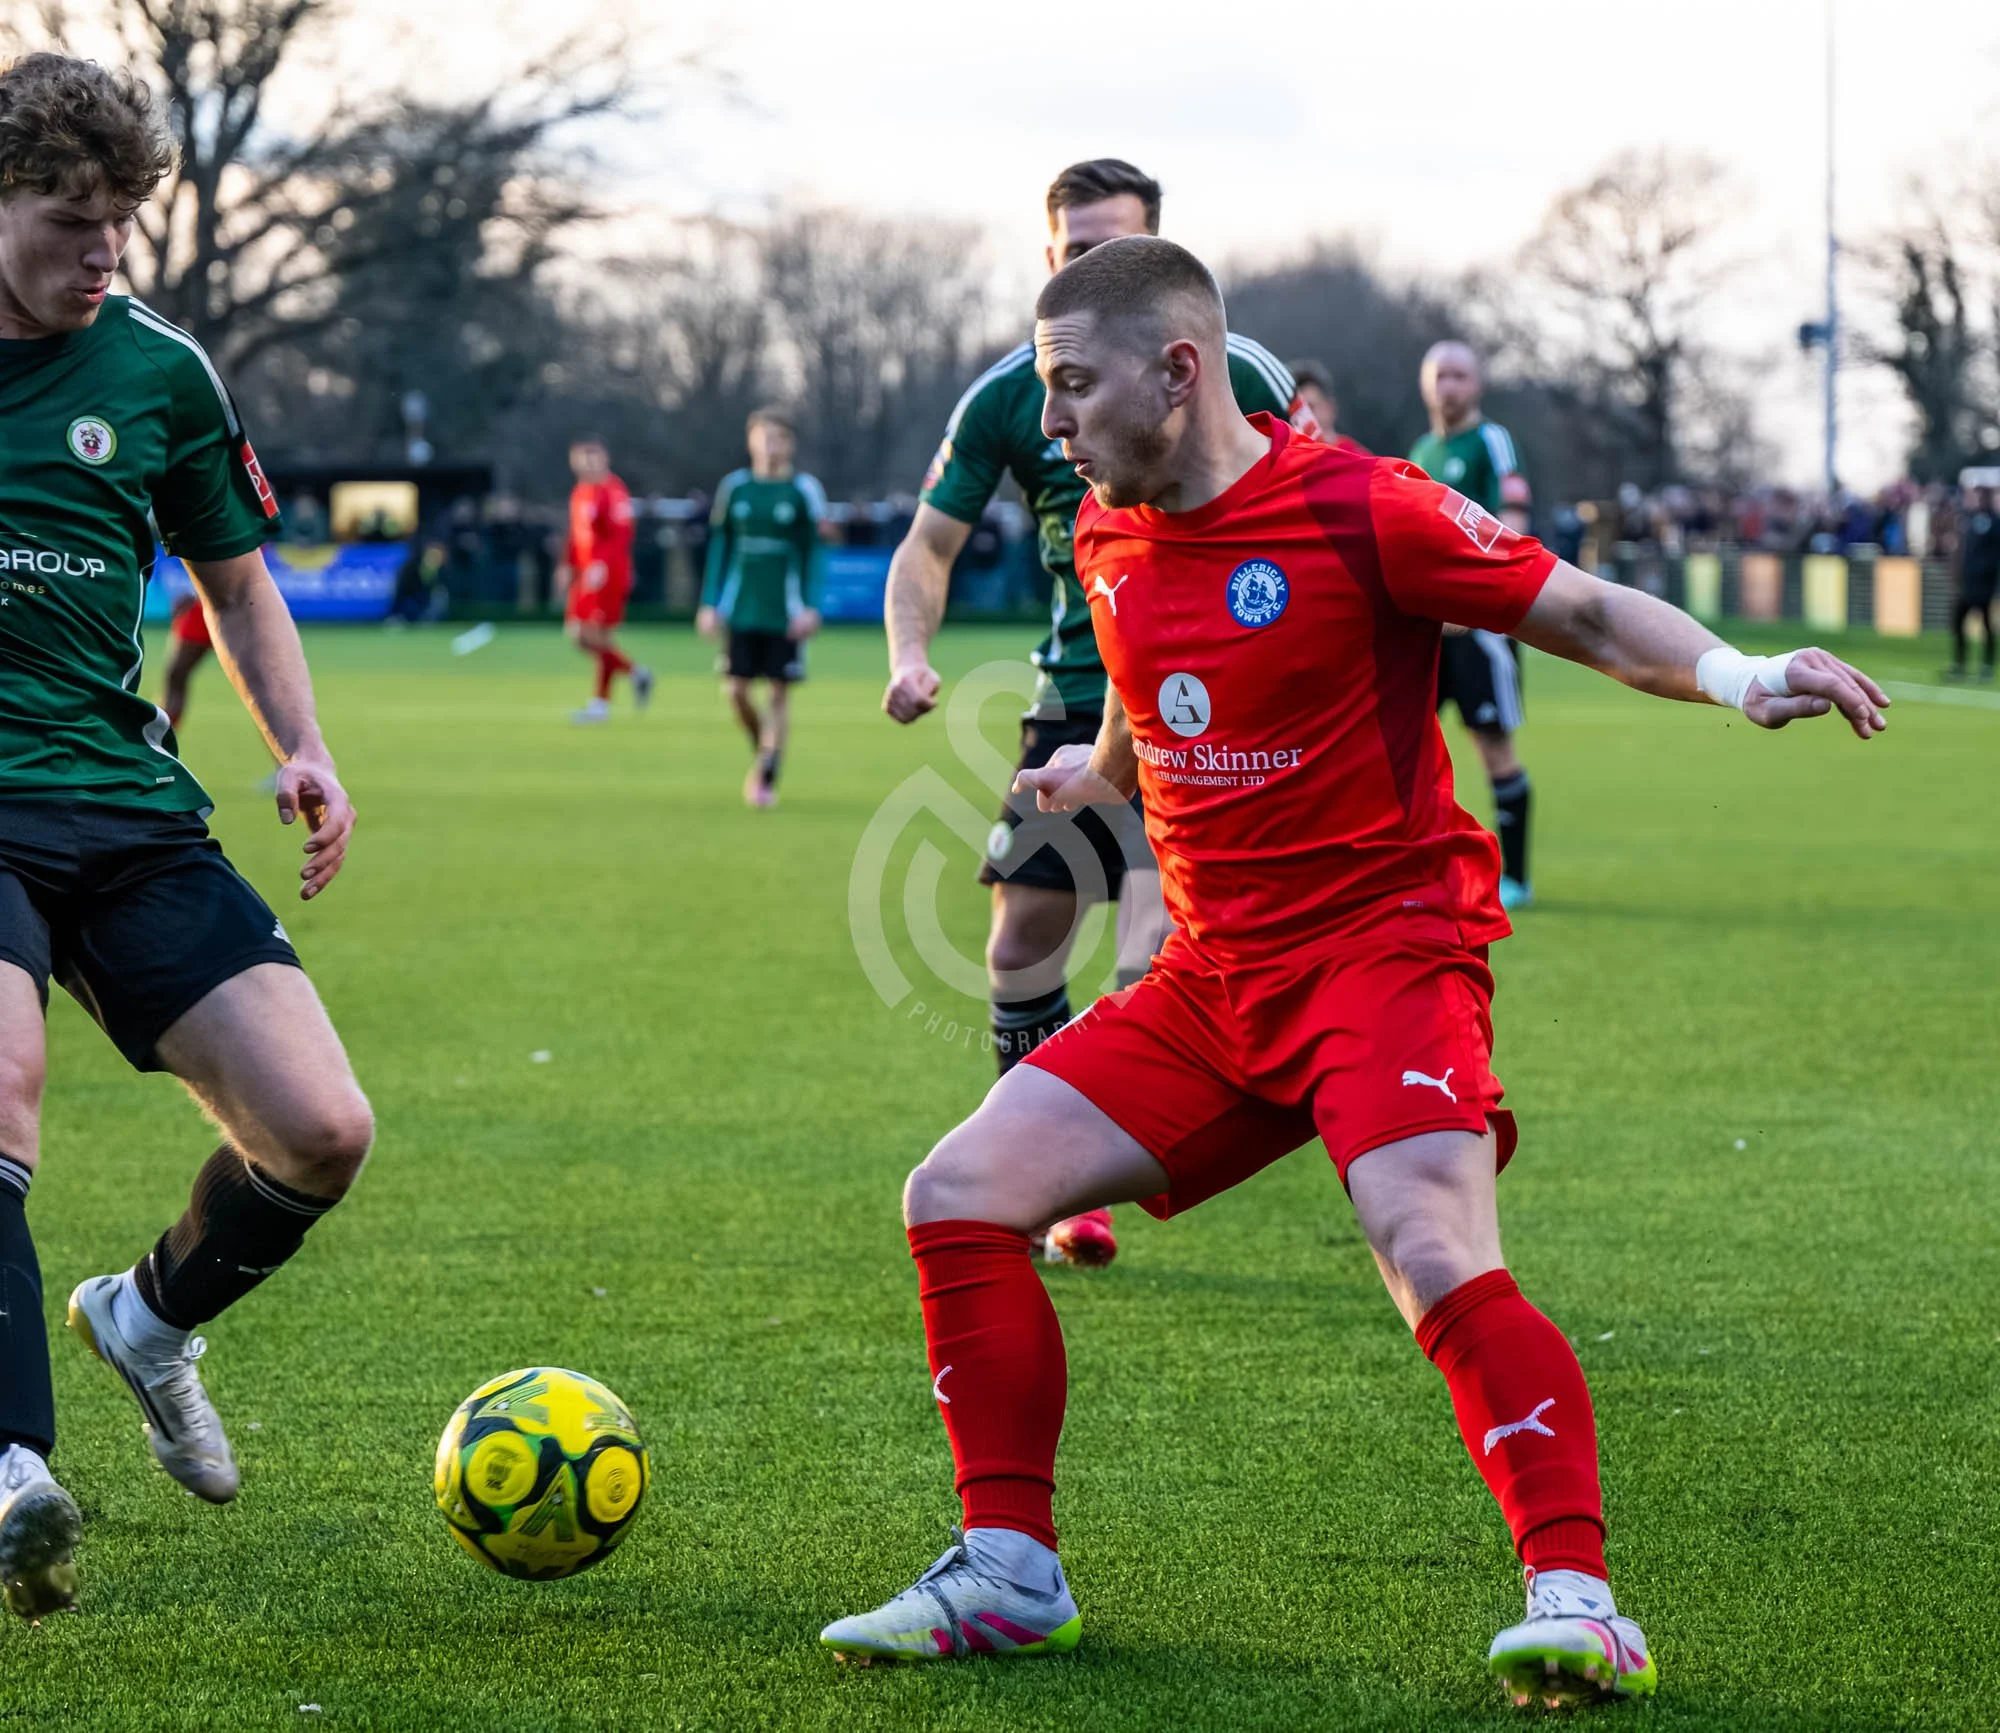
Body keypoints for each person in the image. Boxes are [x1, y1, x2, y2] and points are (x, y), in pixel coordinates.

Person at [820, 236, 1890, 1702]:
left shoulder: (1359, 503)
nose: (1050, 425)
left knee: (1429, 1247)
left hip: (1383, 955)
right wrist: (1098, 773)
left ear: (1179, 372)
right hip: (1212, 981)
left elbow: (1576, 608)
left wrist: (1743, 676)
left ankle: (1579, 1600)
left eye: (1072, 387)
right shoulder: (1108, 531)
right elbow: (1146, 679)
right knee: (953, 1194)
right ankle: (1009, 1570)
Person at [0, 53, 377, 1621]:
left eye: (122, 223)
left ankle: (146, 1322)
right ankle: (16, 1469)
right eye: (71, 221)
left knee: (317, 1130)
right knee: (1, 1087)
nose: (105, 254)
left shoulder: (159, 370)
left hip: (119, 794)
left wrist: (301, 745)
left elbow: (234, 583)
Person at [881, 157, 1312, 1269]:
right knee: (1021, 941)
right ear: (1047, 258)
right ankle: (1036, 1166)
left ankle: (1095, 1173)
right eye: (1072, 251)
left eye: (1111, 248)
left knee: (1151, 947)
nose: (1088, 268)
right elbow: (929, 544)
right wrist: (908, 653)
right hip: (1072, 700)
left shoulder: (1234, 376)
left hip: (1200, 705)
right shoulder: (1007, 395)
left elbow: (1317, 516)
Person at [1409, 341, 1536, 909]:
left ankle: (1516, 880)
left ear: (1477, 384)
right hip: (1427, 632)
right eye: (1441, 376)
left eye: (1460, 375)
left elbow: (1513, 520)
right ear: (1425, 385)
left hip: (1478, 631)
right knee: (1404, 751)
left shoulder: (1491, 441)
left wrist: (1477, 598)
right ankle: (1413, 875)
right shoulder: (1422, 449)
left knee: (1493, 749)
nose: (1450, 387)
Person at [697, 407, 826, 808]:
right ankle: (764, 749)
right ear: (752, 441)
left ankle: (768, 773)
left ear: (790, 444)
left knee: (778, 695)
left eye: (779, 438)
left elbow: (813, 554)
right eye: (764, 437)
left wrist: (810, 606)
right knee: (735, 691)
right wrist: (709, 602)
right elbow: (721, 547)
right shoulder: (734, 488)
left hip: (784, 611)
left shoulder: (803, 491)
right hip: (740, 607)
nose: (771, 445)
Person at [558, 436, 651, 724]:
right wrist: (567, 565)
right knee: (579, 635)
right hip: (585, 576)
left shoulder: (614, 491)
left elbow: (621, 535)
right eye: (581, 456)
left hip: (608, 574)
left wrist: (602, 565)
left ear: (604, 457)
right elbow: (576, 536)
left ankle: (601, 704)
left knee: (597, 635)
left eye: (592, 455)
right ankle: (635, 673)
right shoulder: (580, 492)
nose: (587, 462)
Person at [1947, 484, 1999, 681]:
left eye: (1976, 497)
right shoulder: (1969, 520)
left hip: (1983, 585)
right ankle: (1960, 663)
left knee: (1987, 625)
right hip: (1967, 584)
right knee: (1958, 622)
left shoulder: (1994, 522)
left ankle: (1986, 666)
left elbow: (1992, 556)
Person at [1288, 358, 1370, 454]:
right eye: (1296, 410)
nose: (1301, 417)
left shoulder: (1358, 458)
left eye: (1310, 408)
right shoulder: (1289, 459)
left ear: (1329, 408)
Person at [160, 592, 212, 730]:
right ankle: (162, 736)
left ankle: (160, 737)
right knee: (176, 675)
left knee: (264, 685)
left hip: (243, 606)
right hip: (204, 604)